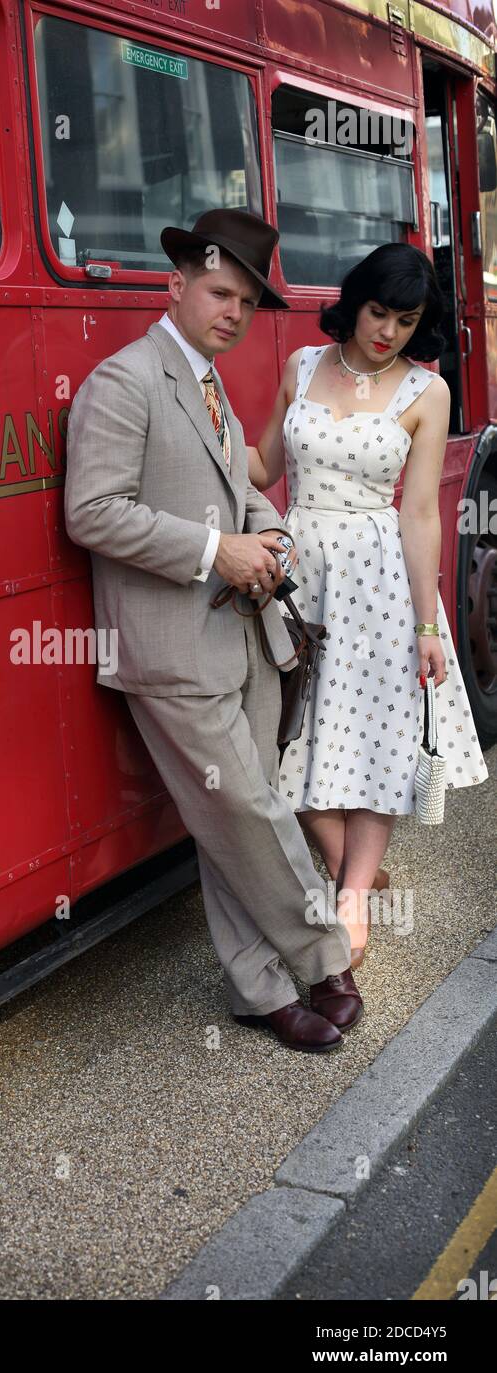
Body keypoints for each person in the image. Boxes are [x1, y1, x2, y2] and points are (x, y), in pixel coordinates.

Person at [64, 209, 361, 1054]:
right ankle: (326, 954)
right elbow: (91, 511)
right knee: (250, 808)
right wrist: (212, 550)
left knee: (231, 820)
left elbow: (244, 492)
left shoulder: (206, 382)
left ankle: (256, 991)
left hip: (245, 636)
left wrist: (273, 535)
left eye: (246, 301)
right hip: (169, 646)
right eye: (220, 292)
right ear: (176, 286)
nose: (232, 312)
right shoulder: (124, 382)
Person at [247, 243, 489, 967]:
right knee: (286, 736)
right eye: (378, 311)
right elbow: (261, 466)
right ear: (354, 302)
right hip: (299, 571)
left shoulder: (427, 392)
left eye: (406, 319)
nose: (386, 330)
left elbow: (419, 514)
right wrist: (200, 428)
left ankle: (350, 900)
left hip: (379, 580)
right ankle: (359, 870)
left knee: (376, 739)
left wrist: (426, 623)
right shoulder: (299, 367)